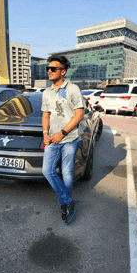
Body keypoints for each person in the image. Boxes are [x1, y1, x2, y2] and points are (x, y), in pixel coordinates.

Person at [41, 55, 84, 225]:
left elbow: (79, 115)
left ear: (63, 72)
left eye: (53, 69)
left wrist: (63, 133)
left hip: (70, 138)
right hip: (52, 139)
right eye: (48, 69)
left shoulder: (73, 89)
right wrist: (45, 133)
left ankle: (65, 206)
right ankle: (67, 201)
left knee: (67, 172)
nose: (49, 71)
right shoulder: (46, 92)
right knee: (47, 170)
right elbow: (46, 115)